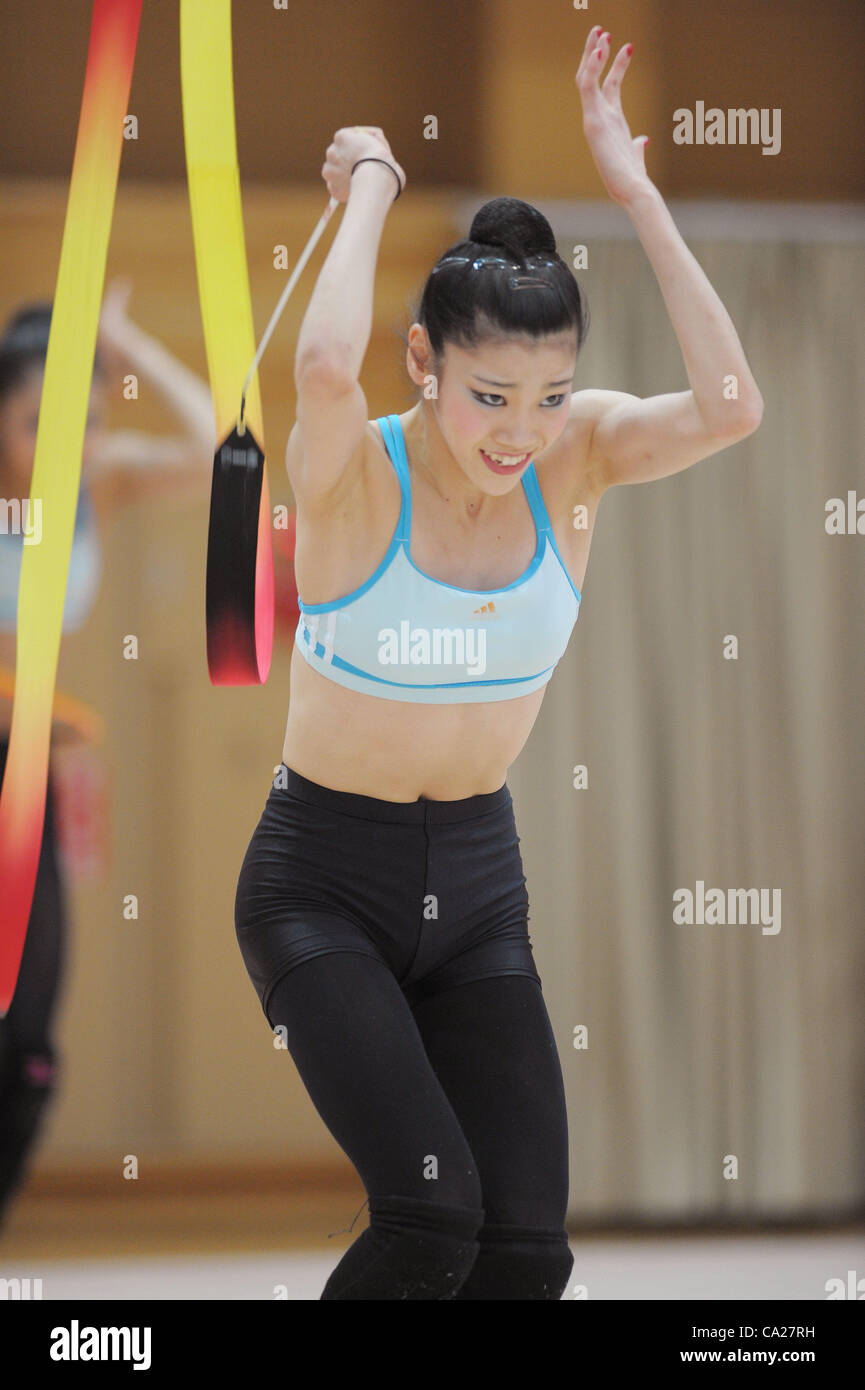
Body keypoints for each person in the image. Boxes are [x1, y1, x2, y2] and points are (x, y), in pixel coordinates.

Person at [234, 29, 763, 1300]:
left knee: (526, 1251)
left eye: (547, 395)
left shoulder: (576, 459)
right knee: (430, 1216)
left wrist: (635, 189)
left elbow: (733, 403)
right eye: (486, 397)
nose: (518, 433)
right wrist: (368, 181)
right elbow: (316, 363)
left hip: (478, 884)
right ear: (421, 364)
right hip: (320, 884)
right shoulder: (359, 472)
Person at [0, 281, 215, 1230]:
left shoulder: (95, 480)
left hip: (26, 778)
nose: (67, 443)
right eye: (39, 422)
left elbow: (219, 452)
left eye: (83, 421)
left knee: (31, 1041)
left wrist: (129, 342)